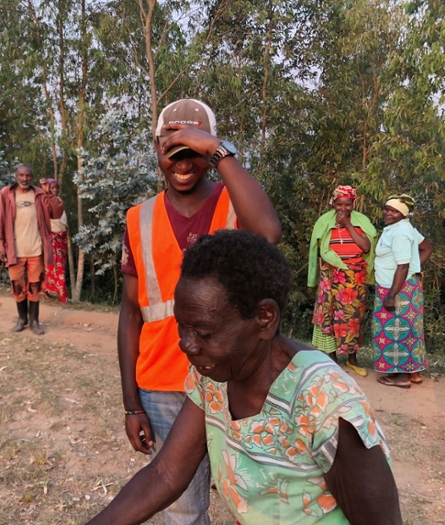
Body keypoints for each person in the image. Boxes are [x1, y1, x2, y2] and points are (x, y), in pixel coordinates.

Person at [88, 230, 402, 525]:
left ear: (265, 318)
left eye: (204, 331)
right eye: (182, 325)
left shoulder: (326, 403)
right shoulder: (214, 377)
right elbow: (166, 474)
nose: (186, 344)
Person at [118, 98, 281, 525]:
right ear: (156, 150)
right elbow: (131, 315)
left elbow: (268, 233)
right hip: (164, 388)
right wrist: (131, 403)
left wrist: (218, 148)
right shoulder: (138, 218)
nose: (182, 162)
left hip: (235, 382)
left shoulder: (236, 205)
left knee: (263, 505)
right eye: (172, 150)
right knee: (184, 511)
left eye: (193, 151)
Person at [308, 185, 376, 376]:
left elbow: (365, 247)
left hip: (354, 276)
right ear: (333, 203)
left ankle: (352, 359)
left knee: (352, 317)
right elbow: (318, 251)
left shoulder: (361, 222)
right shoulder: (324, 221)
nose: (343, 208)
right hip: (330, 275)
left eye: (348, 204)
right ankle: (332, 359)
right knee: (328, 315)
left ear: (354, 203)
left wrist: (347, 224)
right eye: (339, 204)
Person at [0, 164, 63, 335]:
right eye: (21, 175)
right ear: (16, 176)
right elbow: (0, 220)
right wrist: (0, 245)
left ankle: (34, 322)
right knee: (17, 286)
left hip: (35, 251)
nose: (25, 179)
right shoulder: (6, 193)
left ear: (32, 177)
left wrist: (48, 193)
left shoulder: (40, 194)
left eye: (28, 176)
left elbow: (56, 213)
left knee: (34, 287)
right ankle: (22, 319)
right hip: (14, 251)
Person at [373, 194, 433, 388]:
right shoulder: (403, 228)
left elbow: (403, 266)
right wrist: (416, 268)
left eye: (394, 211)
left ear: (403, 214)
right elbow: (427, 248)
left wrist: (391, 295)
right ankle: (413, 373)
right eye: (387, 208)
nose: (388, 213)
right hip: (405, 286)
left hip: (396, 289)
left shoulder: (400, 232)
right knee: (410, 330)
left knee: (396, 332)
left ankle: (401, 377)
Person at [43, 179, 69, 303]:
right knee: (58, 267)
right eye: (52, 188)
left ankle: (45, 289)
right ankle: (63, 296)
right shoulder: (48, 202)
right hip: (54, 239)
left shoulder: (58, 200)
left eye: (56, 187)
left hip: (62, 238)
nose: (55, 190)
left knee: (56, 266)